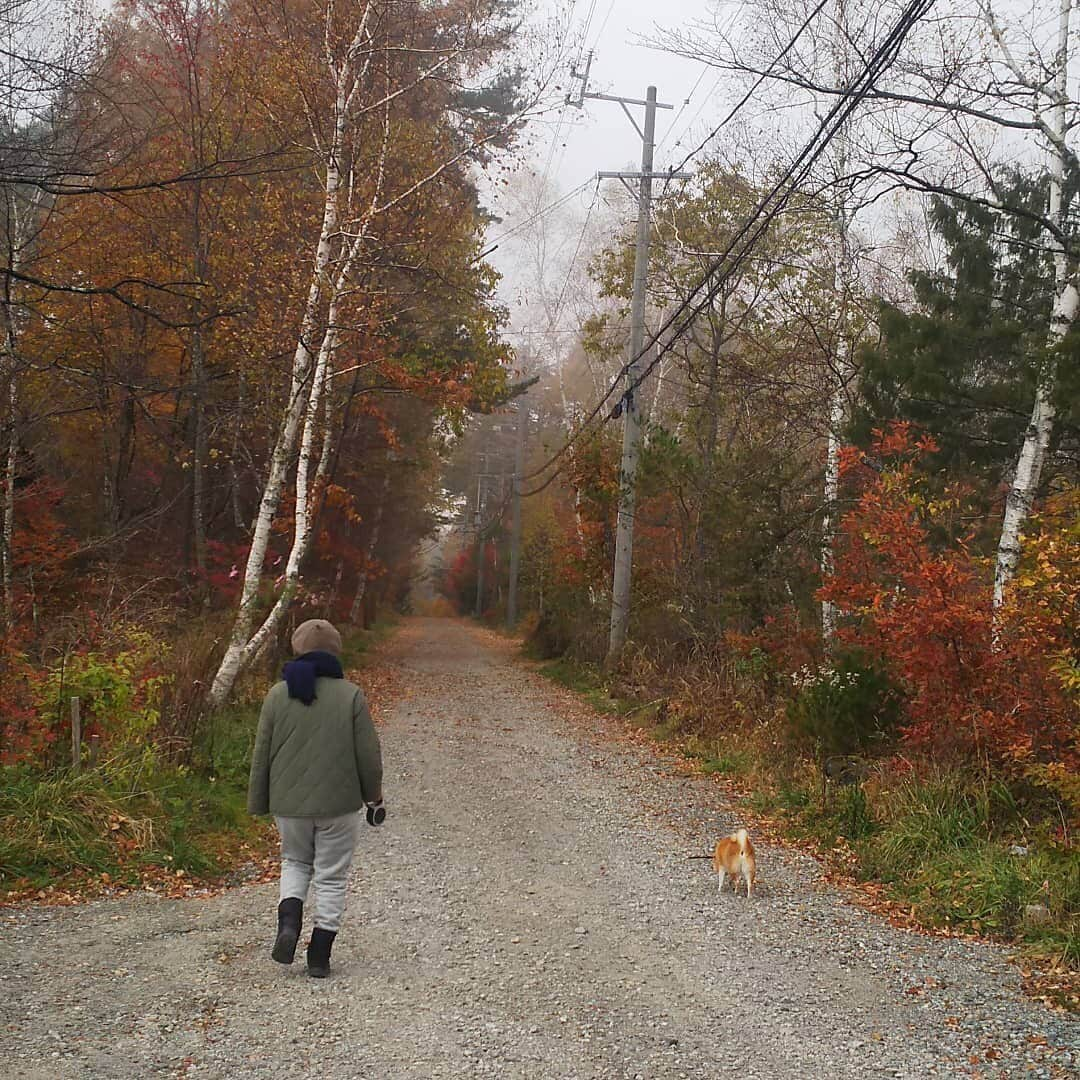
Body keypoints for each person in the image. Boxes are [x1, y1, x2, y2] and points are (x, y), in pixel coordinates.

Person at [247, 618, 384, 978]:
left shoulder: (277, 695)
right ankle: (320, 955)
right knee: (331, 877)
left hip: (288, 805)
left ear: (297, 649)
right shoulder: (351, 695)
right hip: (340, 806)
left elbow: (262, 751)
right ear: (335, 652)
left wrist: (259, 800)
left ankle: (288, 925)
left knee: (294, 862)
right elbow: (368, 754)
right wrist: (374, 797)